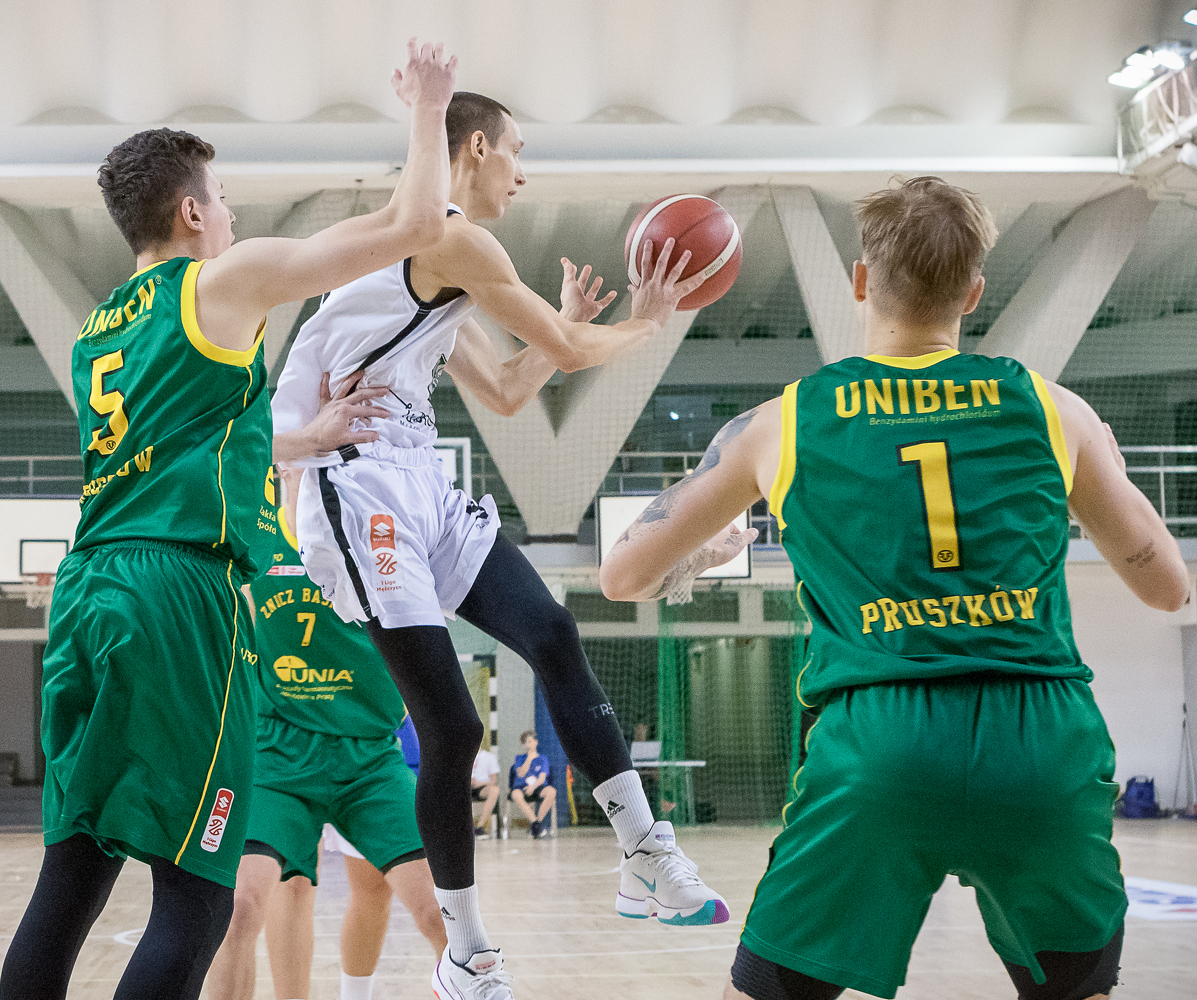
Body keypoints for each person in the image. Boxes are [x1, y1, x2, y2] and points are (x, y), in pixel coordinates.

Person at [599, 175, 1192, 1000]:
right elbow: (1168, 590)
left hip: (880, 740)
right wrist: (1108, 476)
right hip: (1039, 739)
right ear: (973, 293)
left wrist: (705, 556)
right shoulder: (1055, 410)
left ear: (860, 280)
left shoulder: (782, 423)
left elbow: (622, 574)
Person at [0, 41, 458, 1000]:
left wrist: (303, 439)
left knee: (73, 875)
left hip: (90, 589)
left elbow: (182, 448)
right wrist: (429, 109)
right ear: (192, 212)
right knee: (200, 895)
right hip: (180, 595)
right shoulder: (222, 282)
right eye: (226, 202)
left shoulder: (98, 328)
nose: (234, 218)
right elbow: (413, 225)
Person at [273, 89, 728, 1000]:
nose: (523, 173)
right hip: (353, 484)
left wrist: (561, 329)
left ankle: (644, 850)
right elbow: (569, 346)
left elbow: (511, 389)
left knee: (552, 632)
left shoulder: (431, 266)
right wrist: (646, 317)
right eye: (517, 151)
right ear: (475, 148)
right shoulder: (450, 239)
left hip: (416, 475)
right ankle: (467, 951)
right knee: (451, 725)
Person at [208, 465, 445, 1000]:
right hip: (278, 754)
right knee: (241, 907)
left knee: (443, 913)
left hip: (369, 758)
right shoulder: (251, 525)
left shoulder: (386, 526)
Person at [508, 731, 556, 838]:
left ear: (536, 742)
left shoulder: (543, 759)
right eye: (525, 743)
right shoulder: (519, 758)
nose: (527, 745)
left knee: (551, 792)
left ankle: (537, 824)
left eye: (529, 741)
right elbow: (521, 773)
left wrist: (533, 787)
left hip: (537, 787)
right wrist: (529, 759)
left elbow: (542, 778)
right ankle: (535, 824)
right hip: (521, 787)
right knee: (516, 794)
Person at [470, 744, 499, 838]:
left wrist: (479, 783)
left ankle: (480, 826)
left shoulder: (489, 757)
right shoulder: (462, 755)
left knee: (494, 790)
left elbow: (493, 779)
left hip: (481, 787)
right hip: (465, 787)